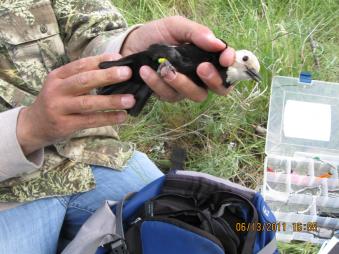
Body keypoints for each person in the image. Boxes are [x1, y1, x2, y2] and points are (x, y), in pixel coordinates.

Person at [0, 0, 235, 253]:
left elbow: (89, 25)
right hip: (7, 194)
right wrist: (26, 130)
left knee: (202, 235)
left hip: (90, 154)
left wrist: (127, 51)